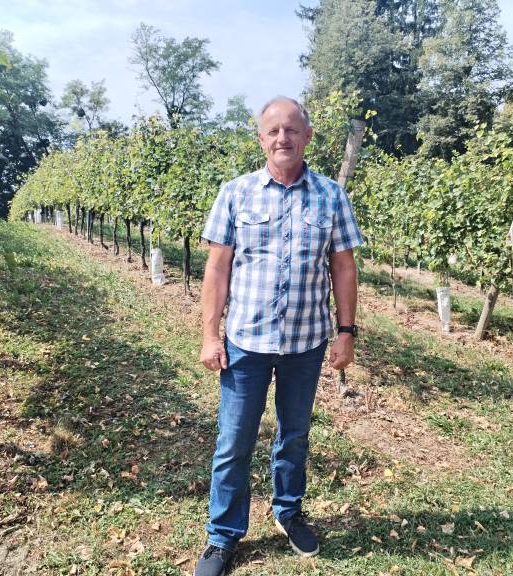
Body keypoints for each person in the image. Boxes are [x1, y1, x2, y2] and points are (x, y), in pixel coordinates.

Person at [194, 96, 363, 576]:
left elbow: (344, 267)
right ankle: (223, 535)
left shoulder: (331, 195)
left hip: (305, 344)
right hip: (245, 343)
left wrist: (346, 332)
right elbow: (217, 269)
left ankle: (288, 511)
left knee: (294, 435)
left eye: (292, 130)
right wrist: (210, 335)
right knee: (234, 441)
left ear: (307, 136)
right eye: (273, 131)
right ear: (261, 138)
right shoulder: (236, 193)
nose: (282, 138)